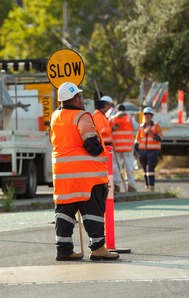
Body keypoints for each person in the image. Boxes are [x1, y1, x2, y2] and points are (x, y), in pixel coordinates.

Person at [50, 82, 119, 261]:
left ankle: (64, 249)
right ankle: (97, 248)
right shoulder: (82, 116)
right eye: (80, 96)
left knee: (64, 212)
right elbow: (91, 144)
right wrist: (99, 150)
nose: (81, 99)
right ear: (75, 98)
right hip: (87, 177)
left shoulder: (55, 116)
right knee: (92, 212)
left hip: (63, 176)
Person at [110, 104, 139, 193]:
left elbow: (108, 129)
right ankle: (130, 186)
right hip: (128, 147)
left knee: (116, 167)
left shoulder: (112, 119)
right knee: (129, 167)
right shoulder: (130, 118)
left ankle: (117, 186)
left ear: (117, 111)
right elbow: (137, 127)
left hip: (116, 147)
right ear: (125, 110)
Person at [134, 107, 163, 192]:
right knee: (144, 169)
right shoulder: (141, 127)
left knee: (149, 169)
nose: (147, 117)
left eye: (149, 115)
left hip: (153, 150)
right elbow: (137, 139)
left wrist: (150, 132)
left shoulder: (156, 126)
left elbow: (160, 137)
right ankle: (147, 186)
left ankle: (151, 186)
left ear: (152, 116)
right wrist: (136, 150)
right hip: (143, 151)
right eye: (146, 115)